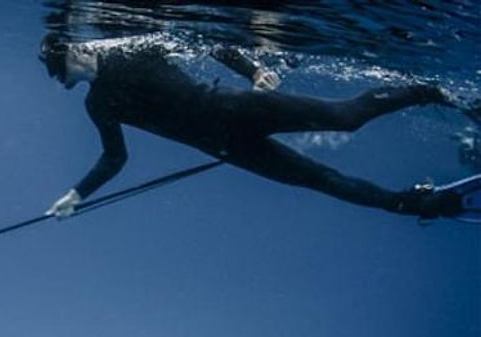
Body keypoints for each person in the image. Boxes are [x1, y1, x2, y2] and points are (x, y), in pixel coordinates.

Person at [39, 33, 473, 220]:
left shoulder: (133, 49)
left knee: (347, 118)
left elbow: (208, 42)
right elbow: (115, 158)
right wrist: (76, 196)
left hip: (239, 109)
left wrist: (252, 72)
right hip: (226, 146)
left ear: (74, 53)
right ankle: (408, 205)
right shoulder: (98, 105)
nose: (63, 83)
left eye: (61, 73)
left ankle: (426, 91)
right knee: (318, 179)